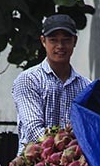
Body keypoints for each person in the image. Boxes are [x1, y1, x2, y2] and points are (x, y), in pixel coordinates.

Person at [12, 14, 91, 154]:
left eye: (66, 40)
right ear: (43, 41)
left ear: (75, 41)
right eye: (53, 40)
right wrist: (65, 150)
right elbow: (33, 130)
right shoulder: (29, 79)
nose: (60, 46)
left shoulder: (86, 86)